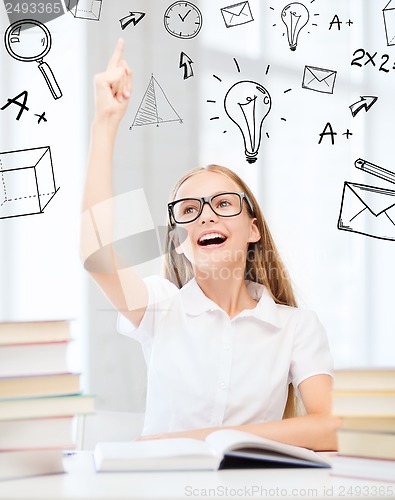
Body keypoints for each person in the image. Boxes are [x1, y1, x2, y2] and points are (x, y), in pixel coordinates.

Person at [82, 39, 340, 451]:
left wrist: (197, 440)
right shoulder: (160, 306)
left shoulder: (295, 327)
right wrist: (105, 125)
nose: (205, 215)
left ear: (253, 229)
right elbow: (96, 257)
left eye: (223, 203)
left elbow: (330, 430)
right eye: (188, 209)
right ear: (179, 242)